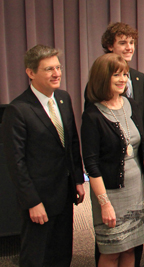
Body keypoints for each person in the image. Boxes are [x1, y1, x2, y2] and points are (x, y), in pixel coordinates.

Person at [1, 44, 85, 266]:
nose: (57, 73)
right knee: (37, 256)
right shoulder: (18, 110)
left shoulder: (63, 99)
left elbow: (72, 143)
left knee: (61, 252)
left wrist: (77, 179)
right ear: (31, 72)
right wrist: (32, 202)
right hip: (39, 198)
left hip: (64, 193)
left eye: (58, 67)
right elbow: (16, 162)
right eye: (49, 69)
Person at [83, 22, 144, 266]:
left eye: (124, 74)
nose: (123, 79)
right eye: (117, 75)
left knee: (131, 249)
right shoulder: (92, 114)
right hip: (110, 190)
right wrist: (104, 204)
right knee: (110, 251)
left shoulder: (129, 103)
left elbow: (141, 140)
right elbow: (91, 162)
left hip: (134, 188)